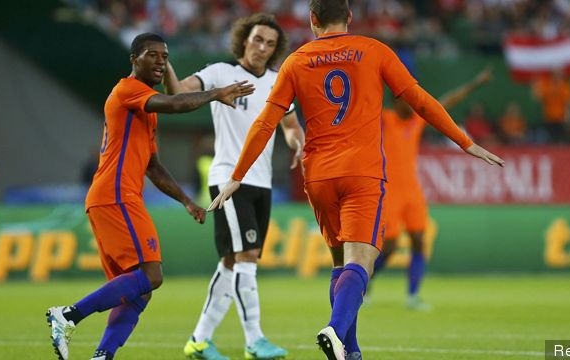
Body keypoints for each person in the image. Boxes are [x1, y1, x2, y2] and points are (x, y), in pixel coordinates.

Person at [208, 1, 504, 359]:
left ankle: (351, 351)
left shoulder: (296, 60)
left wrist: (236, 175)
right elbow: (420, 101)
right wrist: (465, 142)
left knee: (340, 264)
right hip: (361, 172)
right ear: (349, 18)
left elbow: (266, 122)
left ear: (313, 20)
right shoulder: (373, 50)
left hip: (318, 176)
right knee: (360, 263)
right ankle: (334, 329)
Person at [46, 32, 254, 360]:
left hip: (114, 197)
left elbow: (153, 167)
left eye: (165, 56)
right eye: (152, 55)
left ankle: (103, 356)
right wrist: (215, 93)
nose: (160, 61)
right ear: (134, 59)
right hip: (115, 195)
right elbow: (175, 102)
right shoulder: (127, 90)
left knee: (138, 292)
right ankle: (68, 315)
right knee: (151, 276)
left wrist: (187, 201)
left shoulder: (146, 109)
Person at [164, 13, 304, 360]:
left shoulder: (277, 81)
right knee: (247, 256)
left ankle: (199, 339)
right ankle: (254, 340)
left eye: (270, 44)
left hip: (262, 182)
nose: (262, 47)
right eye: (257, 39)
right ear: (244, 38)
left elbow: (290, 124)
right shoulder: (220, 72)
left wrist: (296, 139)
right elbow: (177, 93)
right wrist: (166, 64)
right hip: (229, 178)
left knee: (231, 260)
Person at [372, 67, 492, 311]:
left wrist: (474, 84)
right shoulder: (385, 119)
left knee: (419, 240)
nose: (413, 104)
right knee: (390, 247)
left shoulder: (417, 121)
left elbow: (445, 102)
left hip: (412, 191)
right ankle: (363, 285)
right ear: (397, 101)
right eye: (408, 99)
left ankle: (413, 295)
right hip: (389, 191)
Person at [532, 68, 570, 144]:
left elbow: (568, 102)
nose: (557, 75)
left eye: (559, 74)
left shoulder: (565, 86)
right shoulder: (547, 85)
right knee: (550, 142)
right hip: (549, 117)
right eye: (556, 73)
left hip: (561, 118)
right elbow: (538, 98)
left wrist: (568, 116)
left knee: (561, 141)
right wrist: (536, 87)